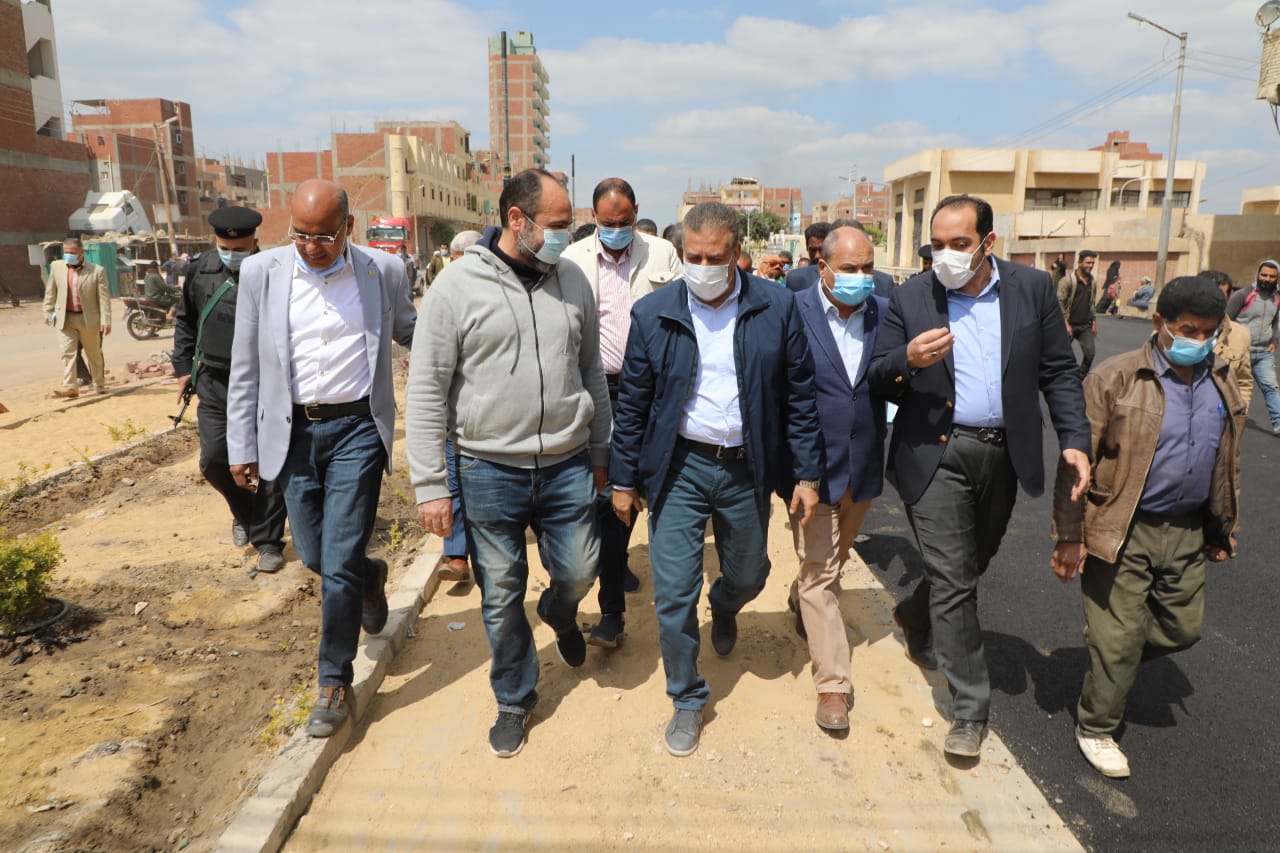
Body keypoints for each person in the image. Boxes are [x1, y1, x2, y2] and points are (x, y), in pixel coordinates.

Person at [868, 194, 1090, 759]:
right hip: (935, 453)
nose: (945, 255)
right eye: (937, 245)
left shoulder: (1031, 289)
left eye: (959, 244)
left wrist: (1074, 439)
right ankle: (969, 709)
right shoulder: (912, 296)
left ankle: (914, 613)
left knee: (971, 563)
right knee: (954, 578)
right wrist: (907, 360)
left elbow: (1059, 371)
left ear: (988, 243)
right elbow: (878, 372)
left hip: (1002, 454)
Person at [406, 168, 611, 758]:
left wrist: (602, 450)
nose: (566, 234)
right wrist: (430, 485)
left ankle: (560, 612)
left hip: (567, 462)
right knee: (500, 593)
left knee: (581, 571)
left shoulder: (573, 280)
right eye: (557, 224)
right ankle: (515, 699)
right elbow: (426, 390)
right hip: (488, 469)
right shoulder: (455, 288)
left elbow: (591, 370)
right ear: (516, 219)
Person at [609, 201, 822, 757]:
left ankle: (726, 605)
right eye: (694, 257)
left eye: (715, 257)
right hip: (679, 467)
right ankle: (686, 696)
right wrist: (624, 480)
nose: (703, 267)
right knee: (673, 594)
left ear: (736, 252)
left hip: (746, 467)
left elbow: (800, 396)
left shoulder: (775, 306)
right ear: (682, 253)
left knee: (750, 574)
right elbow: (632, 404)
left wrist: (806, 473)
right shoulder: (653, 313)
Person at [226, 179, 416, 738]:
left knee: (336, 561)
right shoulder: (261, 273)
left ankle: (333, 680)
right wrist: (242, 446)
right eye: (301, 235)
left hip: (358, 428)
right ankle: (370, 577)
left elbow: (413, 333)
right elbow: (245, 365)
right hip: (293, 434)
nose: (312, 247)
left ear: (348, 227)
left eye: (325, 237)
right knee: (312, 553)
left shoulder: (384, 272)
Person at [1051, 276, 1244, 779]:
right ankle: (1095, 726)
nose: (1199, 340)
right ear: (1160, 323)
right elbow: (1075, 459)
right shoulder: (1116, 378)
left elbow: (1224, 462)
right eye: (1188, 330)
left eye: (1209, 332)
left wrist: (1221, 527)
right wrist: (1069, 536)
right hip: (1122, 527)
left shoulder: (1220, 380)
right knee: (1118, 642)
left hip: (1186, 531)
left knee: (1184, 628)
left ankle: (1111, 650)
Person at [560, 177, 682, 648]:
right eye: (608, 223)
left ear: (636, 214)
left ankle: (612, 609)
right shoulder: (570, 260)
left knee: (625, 495)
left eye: (625, 221)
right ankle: (597, 588)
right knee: (596, 498)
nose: (617, 230)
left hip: (647, 392)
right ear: (593, 218)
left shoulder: (661, 255)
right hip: (592, 389)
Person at [787, 225, 888, 732]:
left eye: (868, 267)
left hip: (864, 462)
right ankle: (832, 685)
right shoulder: (792, 311)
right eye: (850, 268)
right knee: (822, 574)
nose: (861, 277)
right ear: (822, 267)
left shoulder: (885, 313)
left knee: (834, 560)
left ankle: (800, 595)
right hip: (811, 466)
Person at [172, 206, 288, 575]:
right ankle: (246, 516)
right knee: (215, 459)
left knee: (269, 462)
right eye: (225, 248)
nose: (232, 255)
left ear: (255, 241)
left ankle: (268, 542)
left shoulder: (274, 272)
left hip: (264, 382)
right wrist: (183, 367)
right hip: (215, 379)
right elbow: (186, 320)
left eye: (240, 249)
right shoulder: (200, 270)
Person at [43, 237, 111, 399]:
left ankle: (99, 383)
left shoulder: (97, 271)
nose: (69, 255)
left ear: (81, 252)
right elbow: (51, 292)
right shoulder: (57, 267)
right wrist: (47, 311)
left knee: (93, 352)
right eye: (66, 252)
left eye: (72, 252)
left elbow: (103, 299)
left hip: (88, 318)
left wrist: (106, 321)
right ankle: (70, 387)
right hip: (65, 318)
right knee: (67, 352)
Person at [1226, 260, 1280, 433]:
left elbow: (1275, 322)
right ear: (1258, 274)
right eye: (1264, 275)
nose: (1267, 279)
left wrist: (1274, 341)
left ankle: (1278, 422)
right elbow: (1226, 319)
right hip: (1241, 352)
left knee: (1271, 387)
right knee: (1232, 388)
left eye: (1272, 276)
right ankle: (1228, 421)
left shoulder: (1277, 298)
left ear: (1277, 278)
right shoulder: (1243, 295)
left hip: (1264, 353)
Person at [788, 219, 893, 299]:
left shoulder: (884, 285)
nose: (859, 275)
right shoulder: (797, 282)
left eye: (867, 267)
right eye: (848, 268)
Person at [1202, 269, 1253, 408]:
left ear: (1229, 297)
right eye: (1207, 295)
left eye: (1220, 296)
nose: (1213, 302)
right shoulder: (1172, 329)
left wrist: (1240, 412)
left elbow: (1243, 381)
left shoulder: (1241, 335)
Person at [1057, 249, 1098, 377]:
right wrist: (1065, 324)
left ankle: (1081, 378)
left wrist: (1094, 321)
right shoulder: (1067, 281)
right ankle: (1056, 377)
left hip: (1085, 325)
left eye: (1092, 263)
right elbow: (1059, 302)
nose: (1091, 265)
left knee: (1090, 353)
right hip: (1069, 324)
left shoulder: (1093, 282)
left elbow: (1092, 302)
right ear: (1080, 263)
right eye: (1088, 263)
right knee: (1059, 354)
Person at [784, 222, 832, 292]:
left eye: (821, 249)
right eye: (813, 250)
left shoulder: (842, 276)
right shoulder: (795, 278)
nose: (817, 256)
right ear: (807, 247)